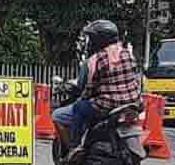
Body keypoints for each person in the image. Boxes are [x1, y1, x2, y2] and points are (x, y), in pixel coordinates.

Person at [52, 20, 141, 157]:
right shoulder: (127, 53)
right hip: (133, 103)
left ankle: (75, 147)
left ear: (98, 39)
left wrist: (83, 97)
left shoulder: (95, 60)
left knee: (77, 108)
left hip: (107, 105)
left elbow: (87, 87)